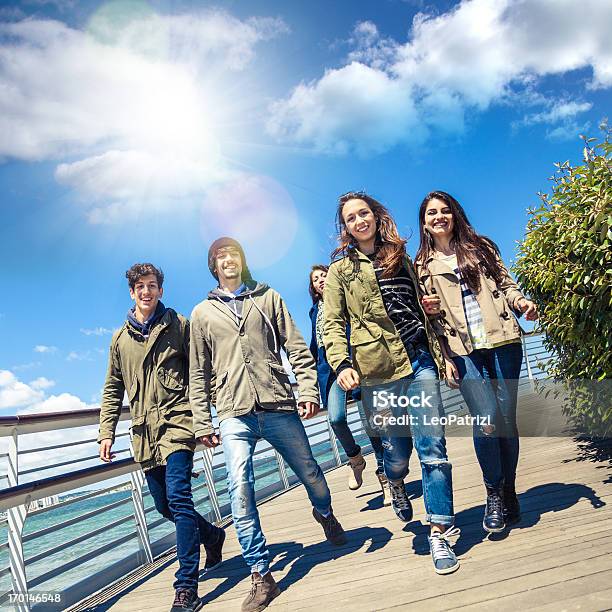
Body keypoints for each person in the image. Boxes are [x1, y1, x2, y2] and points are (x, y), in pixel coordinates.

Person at [189, 237, 347, 612]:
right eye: (221, 256)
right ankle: (261, 574)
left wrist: (308, 388)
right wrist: (201, 422)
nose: (228, 259)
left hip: (277, 403)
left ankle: (324, 513)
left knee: (310, 472)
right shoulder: (202, 313)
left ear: (243, 261)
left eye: (234, 254)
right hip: (233, 412)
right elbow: (199, 372)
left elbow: (296, 347)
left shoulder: (268, 297)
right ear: (214, 265)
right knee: (239, 487)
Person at [323, 193, 460, 575]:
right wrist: (341, 364)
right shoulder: (339, 272)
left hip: (419, 362)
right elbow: (331, 324)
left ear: (375, 215)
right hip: (377, 372)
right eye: (351, 218)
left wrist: (441, 346)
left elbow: (422, 305)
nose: (359, 221)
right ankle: (395, 481)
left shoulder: (399, 254)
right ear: (346, 227)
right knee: (397, 455)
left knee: (433, 447)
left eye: (363, 213)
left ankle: (438, 530)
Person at [98, 263, 225, 612]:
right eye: (139, 286)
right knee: (164, 505)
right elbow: (113, 388)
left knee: (180, 499)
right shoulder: (120, 340)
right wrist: (105, 432)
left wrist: (211, 418)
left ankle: (186, 586)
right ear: (131, 292)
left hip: (178, 423)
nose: (146, 292)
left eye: (152, 285)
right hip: (143, 432)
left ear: (160, 291)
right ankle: (213, 535)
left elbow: (201, 371)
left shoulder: (178, 325)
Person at [415, 191, 539, 533]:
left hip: (502, 340)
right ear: (424, 222)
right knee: (486, 420)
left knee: (506, 421)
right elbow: (429, 321)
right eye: (431, 213)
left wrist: (521, 303)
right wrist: (444, 358)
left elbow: (506, 283)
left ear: (454, 214)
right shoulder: (421, 265)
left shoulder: (481, 245)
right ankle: (494, 494)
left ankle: (509, 492)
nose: (439, 217)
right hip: (463, 349)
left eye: (444, 211)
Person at [309, 264, 390, 504]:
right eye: (316, 279)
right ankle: (355, 458)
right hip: (329, 369)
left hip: (355, 362)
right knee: (336, 418)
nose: (321, 280)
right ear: (312, 287)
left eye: (324, 275)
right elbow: (316, 345)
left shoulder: (343, 297)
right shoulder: (314, 311)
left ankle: (385, 477)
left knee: (371, 422)